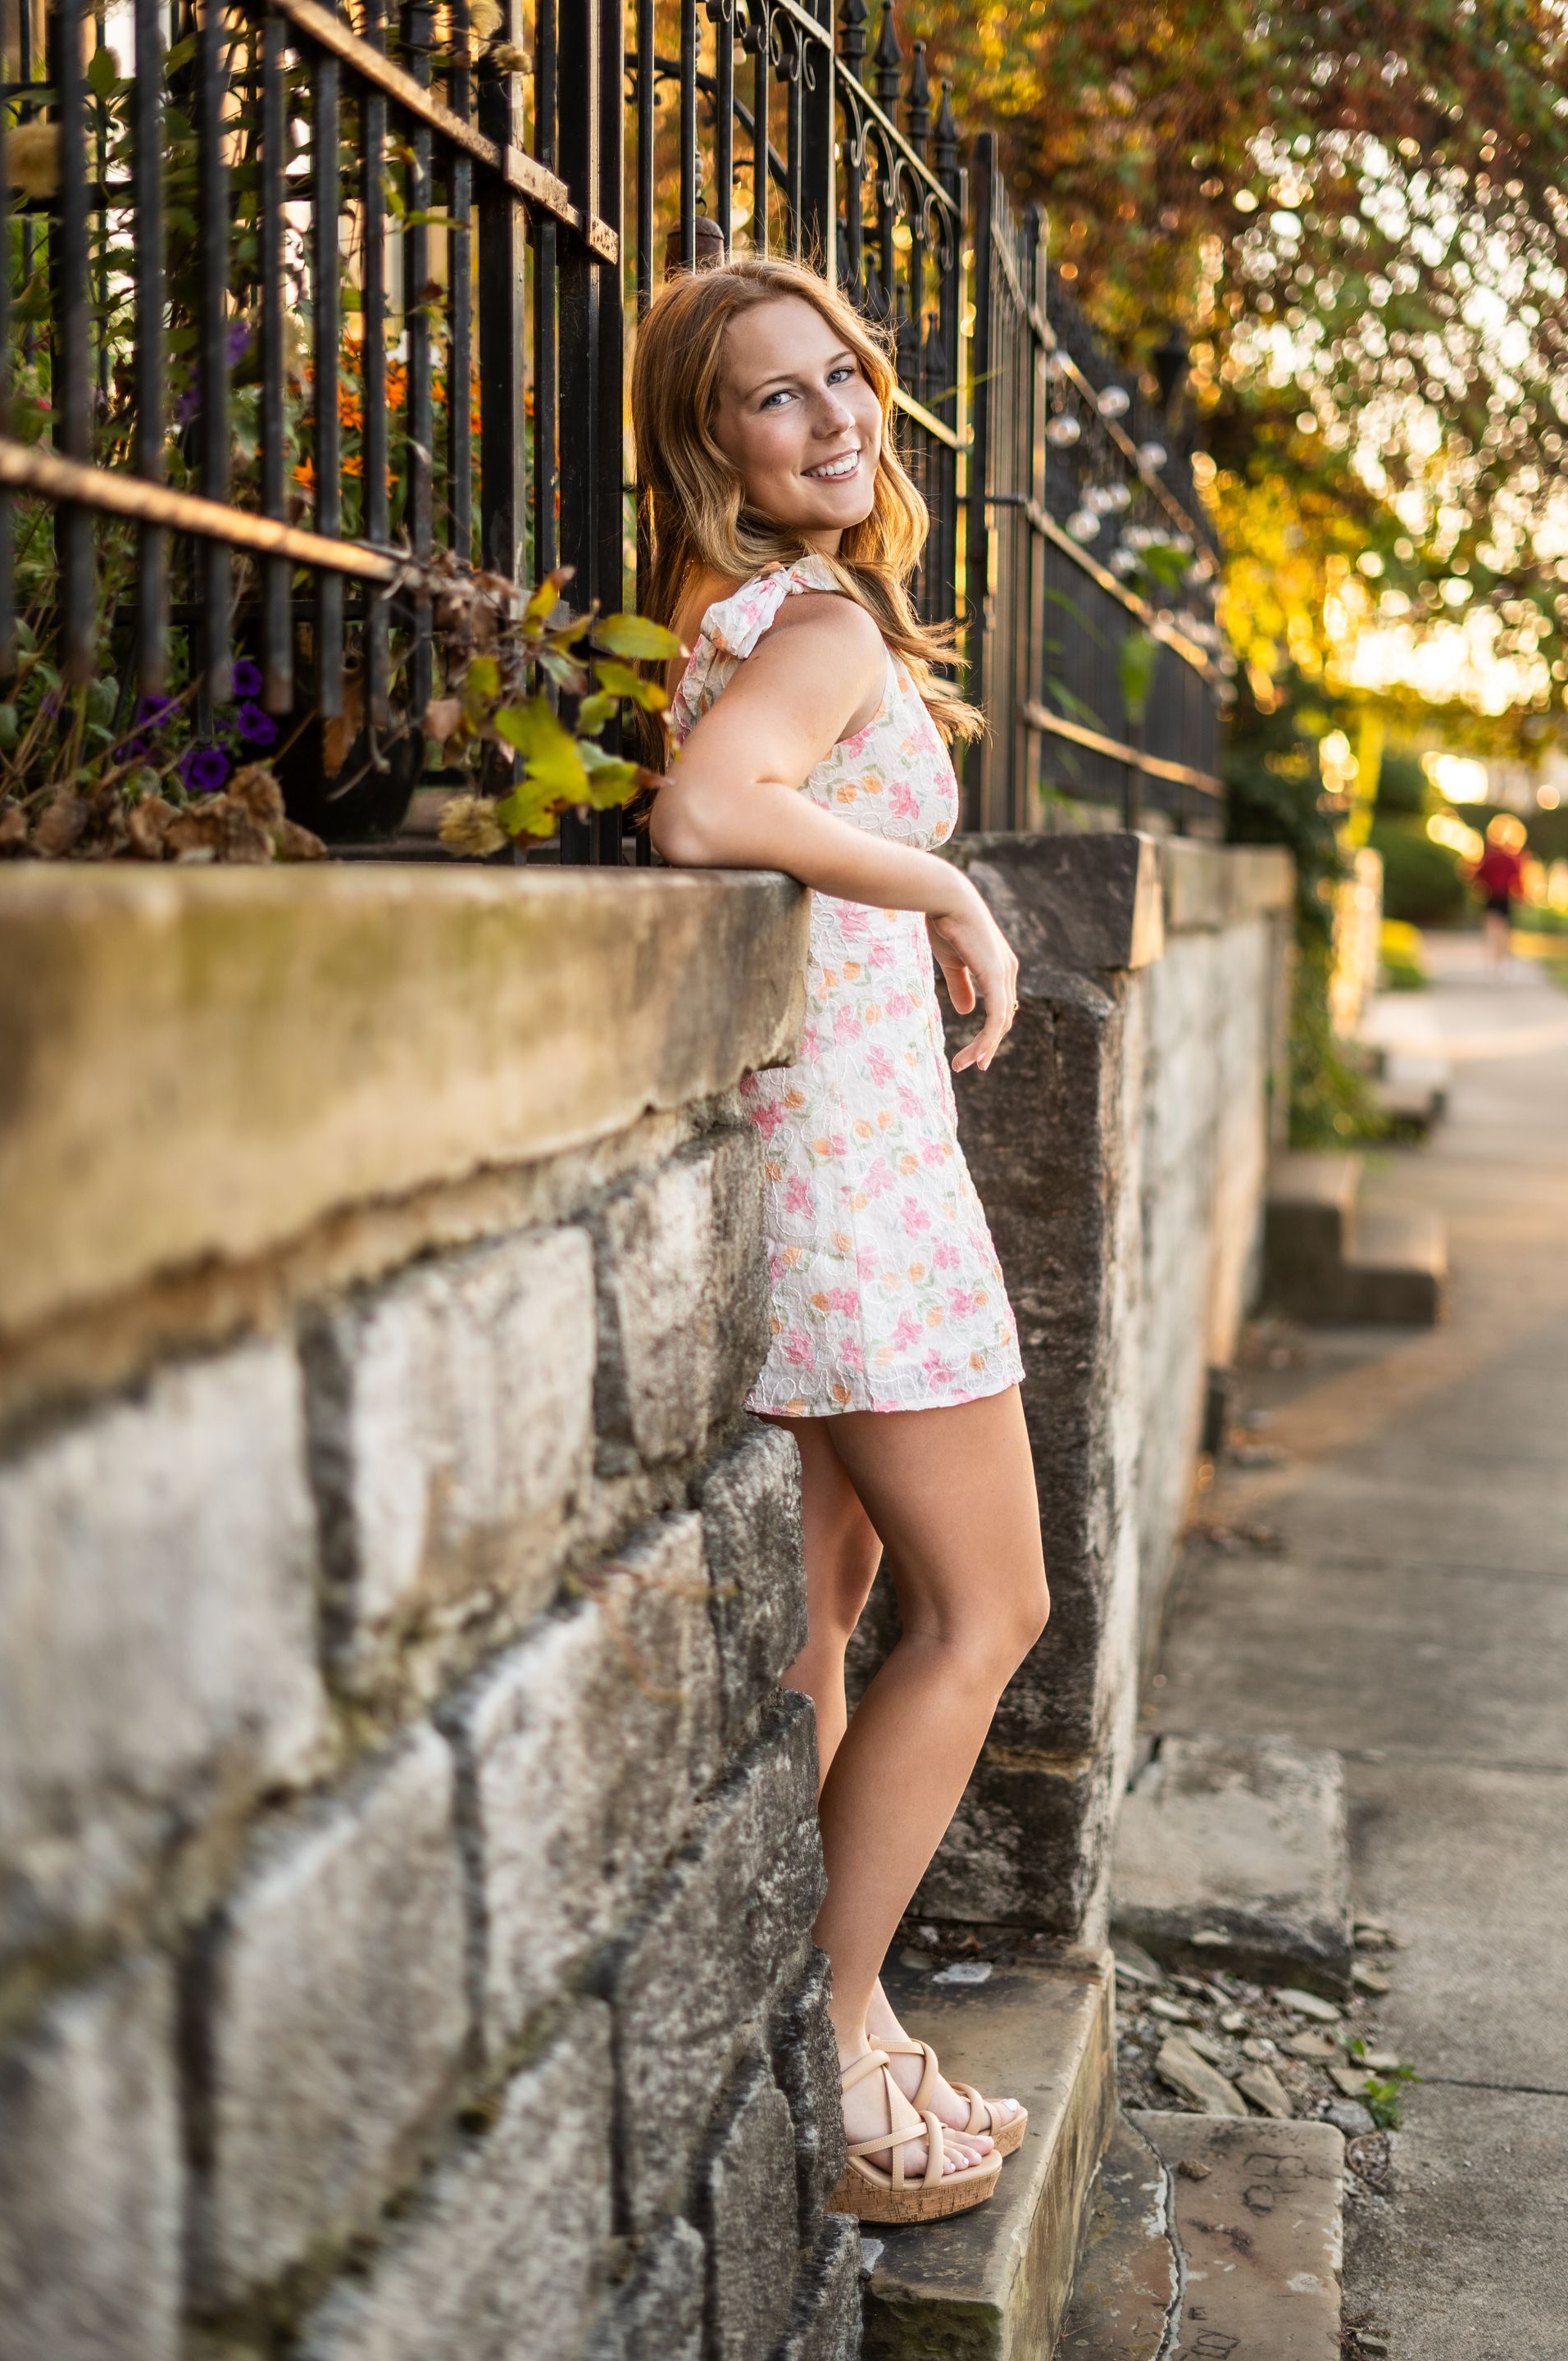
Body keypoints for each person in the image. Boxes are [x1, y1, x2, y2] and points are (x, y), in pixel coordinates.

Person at [631, 254, 1050, 2226]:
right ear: (709, 442)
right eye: (774, 398)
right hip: (860, 1187)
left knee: (831, 1611)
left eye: (843, 379)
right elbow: (710, 814)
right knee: (989, 1612)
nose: (834, 418)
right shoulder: (805, 621)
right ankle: (844, 2006)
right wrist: (948, 883)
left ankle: (824, 2026)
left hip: (832, 1158)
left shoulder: (749, 613)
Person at [1470, 812, 1529, 968]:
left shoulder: (1490, 856)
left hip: (1495, 896)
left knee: (1493, 929)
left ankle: (1495, 960)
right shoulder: (1510, 857)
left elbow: (1478, 876)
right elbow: (1518, 879)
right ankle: (1499, 960)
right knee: (1502, 930)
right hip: (1501, 896)